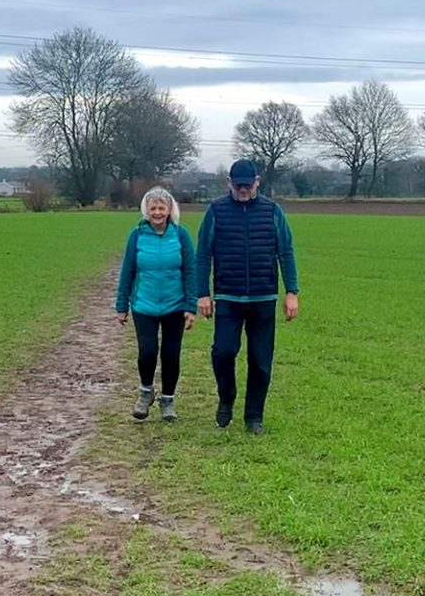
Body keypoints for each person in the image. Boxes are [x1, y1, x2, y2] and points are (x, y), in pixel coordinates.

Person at [194, 159, 299, 435]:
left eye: (248, 185)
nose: (243, 190)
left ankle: (254, 416)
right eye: (238, 185)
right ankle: (226, 396)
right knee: (224, 352)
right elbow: (203, 253)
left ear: (257, 182)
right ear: (229, 183)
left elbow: (285, 252)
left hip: (264, 298)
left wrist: (291, 292)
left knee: (261, 360)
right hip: (228, 297)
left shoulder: (273, 211)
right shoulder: (216, 211)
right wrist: (203, 293)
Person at [113, 186, 197, 422]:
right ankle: (145, 392)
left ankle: (168, 400)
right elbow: (127, 271)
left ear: (170, 210)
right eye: (153, 208)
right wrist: (121, 306)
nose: (158, 212)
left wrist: (191, 307)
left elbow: (191, 271)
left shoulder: (181, 235)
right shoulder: (137, 236)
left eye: (162, 208)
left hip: (175, 306)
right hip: (144, 305)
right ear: (146, 211)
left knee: (171, 355)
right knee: (147, 352)